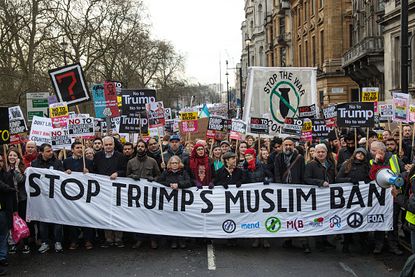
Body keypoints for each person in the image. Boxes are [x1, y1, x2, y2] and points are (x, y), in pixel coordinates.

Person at [369, 140, 404, 255]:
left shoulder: (394, 158)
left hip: (393, 197)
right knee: (380, 220)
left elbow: (403, 172)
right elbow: (371, 176)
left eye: (374, 150)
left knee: (393, 222)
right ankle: (379, 245)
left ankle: (393, 245)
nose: (372, 152)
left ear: (381, 150)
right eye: (371, 150)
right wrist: (375, 163)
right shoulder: (371, 161)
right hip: (379, 198)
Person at [273, 138, 309, 253]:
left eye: (290, 145)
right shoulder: (278, 157)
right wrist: (280, 187)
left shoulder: (299, 158)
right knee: (287, 215)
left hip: (297, 191)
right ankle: (288, 239)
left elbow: (303, 174)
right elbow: (277, 173)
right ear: (283, 146)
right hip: (284, 192)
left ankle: (304, 242)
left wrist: (302, 188)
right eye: (286, 145)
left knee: (299, 216)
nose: (288, 147)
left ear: (294, 146)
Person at [93, 136, 127, 248]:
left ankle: (118, 238)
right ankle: (108, 238)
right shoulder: (97, 156)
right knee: (105, 213)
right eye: (106, 145)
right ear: (103, 145)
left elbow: (125, 170)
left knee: (118, 213)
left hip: (117, 190)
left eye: (110, 144)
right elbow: (94, 170)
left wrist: (117, 173)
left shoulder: (121, 156)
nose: (108, 147)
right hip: (102, 190)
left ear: (113, 145)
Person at [127, 139, 161, 249]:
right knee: (138, 217)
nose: (140, 148)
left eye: (142, 146)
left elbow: (159, 176)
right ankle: (139, 239)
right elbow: (126, 177)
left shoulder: (152, 161)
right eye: (138, 146)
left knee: (151, 217)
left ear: (145, 148)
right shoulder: (131, 162)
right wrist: (132, 176)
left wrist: (153, 179)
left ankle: (153, 239)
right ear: (136, 149)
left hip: (150, 195)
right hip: (136, 196)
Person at [335, 147, 371, 253]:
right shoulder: (347, 164)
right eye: (358, 153)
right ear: (354, 154)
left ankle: (362, 242)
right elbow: (337, 179)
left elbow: (372, 178)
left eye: (362, 153)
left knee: (363, 219)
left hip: (362, 197)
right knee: (348, 219)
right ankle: (346, 242)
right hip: (348, 198)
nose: (360, 155)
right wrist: (349, 180)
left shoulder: (367, 166)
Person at [31, 143, 64, 253]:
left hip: (55, 197)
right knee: (43, 221)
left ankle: (57, 242)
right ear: (41, 152)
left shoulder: (57, 162)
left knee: (57, 220)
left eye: (51, 150)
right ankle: (45, 242)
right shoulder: (35, 164)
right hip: (42, 198)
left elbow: (62, 177)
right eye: (48, 151)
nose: (51, 153)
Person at [304, 143, 336, 251]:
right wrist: (320, 182)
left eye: (323, 152)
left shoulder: (330, 164)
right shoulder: (310, 164)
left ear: (326, 153)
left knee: (326, 216)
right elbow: (307, 179)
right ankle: (317, 241)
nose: (321, 154)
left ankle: (325, 239)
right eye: (318, 152)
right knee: (317, 218)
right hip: (316, 197)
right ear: (315, 153)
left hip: (328, 196)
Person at [63, 142, 94, 250]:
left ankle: (87, 240)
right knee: (72, 219)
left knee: (86, 217)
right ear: (72, 150)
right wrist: (65, 173)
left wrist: (89, 173)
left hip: (85, 195)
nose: (80, 149)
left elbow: (95, 177)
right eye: (77, 148)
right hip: (71, 196)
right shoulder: (66, 162)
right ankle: (74, 240)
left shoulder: (88, 162)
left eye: (81, 147)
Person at [157, 156, 192, 249]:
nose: (174, 165)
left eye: (176, 163)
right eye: (172, 163)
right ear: (170, 164)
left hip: (181, 202)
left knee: (181, 221)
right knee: (171, 221)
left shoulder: (184, 173)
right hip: (169, 202)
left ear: (179, 163)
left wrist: (179, 185)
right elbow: (159, 182)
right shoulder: (166, 173)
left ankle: (181, 240)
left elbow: (189, 182)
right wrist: (169, 185)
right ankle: (173, 240)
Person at [5, 149, 31, 255]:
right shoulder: (4, 169)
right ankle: (13, 244)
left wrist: (16, 167)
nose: (12, 157)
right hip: (9, 200)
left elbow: (20, 180)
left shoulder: (22, 168)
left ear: (18, 157)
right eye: (10, 155)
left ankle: (25, 243)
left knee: (22, 221)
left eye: (14, 155)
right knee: (11, 222)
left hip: (21, 199)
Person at [0, 155, 16, 276]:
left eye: (0, 160)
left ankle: (2, 257)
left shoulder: (6, 175)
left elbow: (12, 192)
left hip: (3, 210)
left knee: (3, 235)